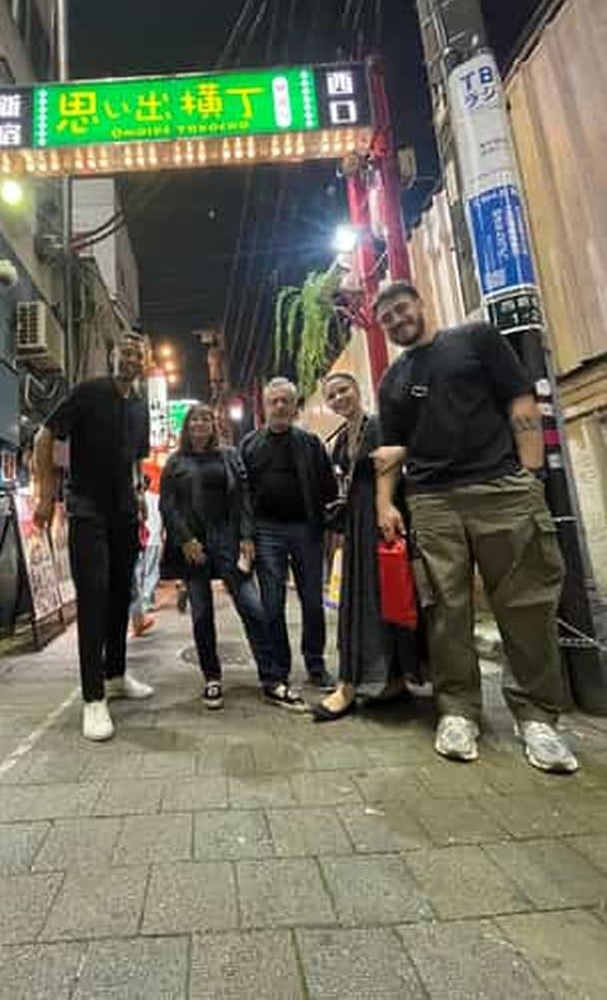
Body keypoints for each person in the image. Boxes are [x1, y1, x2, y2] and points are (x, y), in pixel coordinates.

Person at [373, 281, 577, 773]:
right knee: (445, 609)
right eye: (388, 319)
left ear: (421, 303)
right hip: (432, 500)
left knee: (525, 604)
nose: (398, 321)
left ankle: (537, 718)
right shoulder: (393, 380)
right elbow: (390, 451)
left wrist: (529, 478)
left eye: (402, 310)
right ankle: (458, 710)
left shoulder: (476, 339)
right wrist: (385, 503)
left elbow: (521, 401)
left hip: (500, 487)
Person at [33, 330, 154, 742]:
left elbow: (137, 459)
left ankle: (117, 674)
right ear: (112, 355)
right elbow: (44, 436)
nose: (131, 359)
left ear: (144, 362)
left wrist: (139, 495)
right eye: (125, 352)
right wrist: (46, 494)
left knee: (122, 591)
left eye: (138, 354)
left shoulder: (139, 406)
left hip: (122, 511)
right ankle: (93, 698)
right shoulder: (88, 393)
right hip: (86, 508)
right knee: (95, 595)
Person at [314, 372, 423, 722]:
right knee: (361, 599)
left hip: (381, 517)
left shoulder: (378, 425)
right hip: (356, 525)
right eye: (331, 396)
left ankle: (387, 677)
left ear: (357, 389)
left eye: (343, 390)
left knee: (388, 595)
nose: (339, 399)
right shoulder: (343, 436)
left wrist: (383, 510)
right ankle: (366, 679)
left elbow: (388, 470)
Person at [160, 404, 285, 710]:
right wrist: (185, 539)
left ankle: (270, 678)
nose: (200, 424)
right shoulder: (175, 462)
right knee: (202, 615)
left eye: (206, 419)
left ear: (213, 425)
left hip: (228, 543)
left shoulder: (229, 456)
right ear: (186, 427)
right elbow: (168, 506)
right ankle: (212, 677)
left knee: (252, 608)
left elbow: (243, 497)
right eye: (194, 420)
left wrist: (246, 536)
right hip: (194, 548)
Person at [240, 377, 337, 699]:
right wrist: (247, 536)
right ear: (265, 406)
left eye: (286, 401)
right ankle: (279, 669)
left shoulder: (310, 444)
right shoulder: (250, 445)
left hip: (306, 531)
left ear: (295, 406)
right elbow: (242, 495)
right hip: (267, 533)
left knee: (312, 601)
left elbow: (328, 488)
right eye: (274, 401)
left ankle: (315, 664)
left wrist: (322, 524)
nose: (280, 406)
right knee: (272, 604)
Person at [128, 472, 161, 638]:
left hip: (138, 540)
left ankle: (141, 610)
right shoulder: (150, 498)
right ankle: (144, 607)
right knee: (150, 572)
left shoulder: (130, 496)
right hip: (151, 539)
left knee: (138, 572)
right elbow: (148, 517)